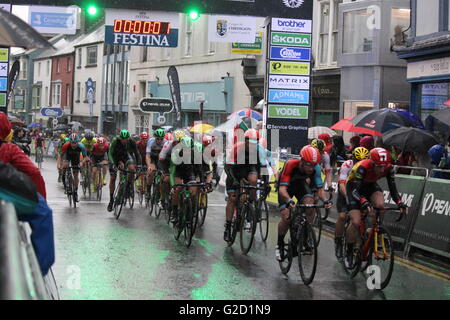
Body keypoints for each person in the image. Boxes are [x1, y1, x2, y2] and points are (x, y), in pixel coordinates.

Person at [344, 147, 407, 268]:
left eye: (383, 166)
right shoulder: (362, 167)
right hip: (354, 187)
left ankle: (375, 230)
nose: (381, 169)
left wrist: (399, 202)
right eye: (378, 166)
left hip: (371, 185)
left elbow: (393, 188)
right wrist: (363, 201)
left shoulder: (388, 168)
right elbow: (355, 190)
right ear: (372, 162)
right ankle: (349, 252)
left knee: (380, 206)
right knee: (356, 222)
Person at [276, 146, 332, 261]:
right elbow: (282, 189)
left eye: (314, 165)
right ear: (301, 161)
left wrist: (325, 200)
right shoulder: (291, 164)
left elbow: (320, 189)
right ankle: (280, 244)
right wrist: (289, 200)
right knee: (286, 217)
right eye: (308, 165)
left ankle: (305, 235)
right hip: (286, 189)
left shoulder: (315, 168)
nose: (311, 168)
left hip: (300, 186)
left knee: (310, 205)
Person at [223, 129, 263, 242]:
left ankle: (250, 205)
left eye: (255, 144)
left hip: (247, 171)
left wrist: (264, 183)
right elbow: (228, 168)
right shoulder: (237, 148)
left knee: (254, 180)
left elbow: (260, 169)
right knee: (232, 198)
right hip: (233, 173)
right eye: (250, 143)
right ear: (245, 141)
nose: (252, 146)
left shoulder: (257, 151)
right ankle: (228, 226)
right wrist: (235, 181)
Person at [334, 146, 370, 260]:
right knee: (342, 216)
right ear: (352, 158)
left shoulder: (367, 166)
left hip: (359, 190)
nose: (359, 163)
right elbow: (342, 185)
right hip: (345, 190)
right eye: (357, 160)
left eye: (361, 161)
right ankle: (338, 242)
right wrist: (348, 199)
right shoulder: (346, 165)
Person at [107, 129, 141, 212]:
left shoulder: (131, 142)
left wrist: (139, 166)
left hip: (125, 157)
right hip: (115, 158)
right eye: (123, 139)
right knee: (113, 178)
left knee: (132, 169)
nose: (124, 141)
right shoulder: (115, 140)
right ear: (120, 137)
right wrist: (113, 164)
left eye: (126, 139)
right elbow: (110, 153)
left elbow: (137, 153)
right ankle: (111, 200)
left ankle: (128, 186)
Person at [61, 133, 88, 202]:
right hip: (67, 156)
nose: (73, 144)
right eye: (72, 143)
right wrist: (61, 164)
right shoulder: (66, 145)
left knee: (76, 175)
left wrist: (81, 162)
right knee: (64, 168)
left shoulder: (81, 146)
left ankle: (75, 192)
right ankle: (65, 185)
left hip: (75, 157)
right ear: (70, 142)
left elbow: (85, 157)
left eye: (75, 143)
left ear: (78, 142)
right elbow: (61, 156)